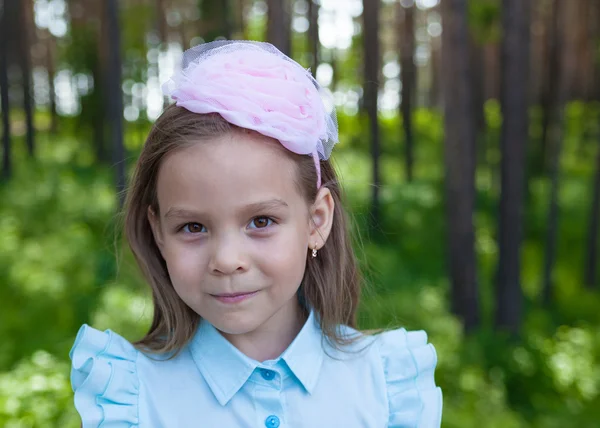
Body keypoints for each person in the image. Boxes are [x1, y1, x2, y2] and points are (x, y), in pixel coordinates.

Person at [69, 40, 442, 427]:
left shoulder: (386, 387)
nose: (228, 260)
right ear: (158, 232)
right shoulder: (130, 397)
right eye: (192, 227)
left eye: (261, 221)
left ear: (317, 221)